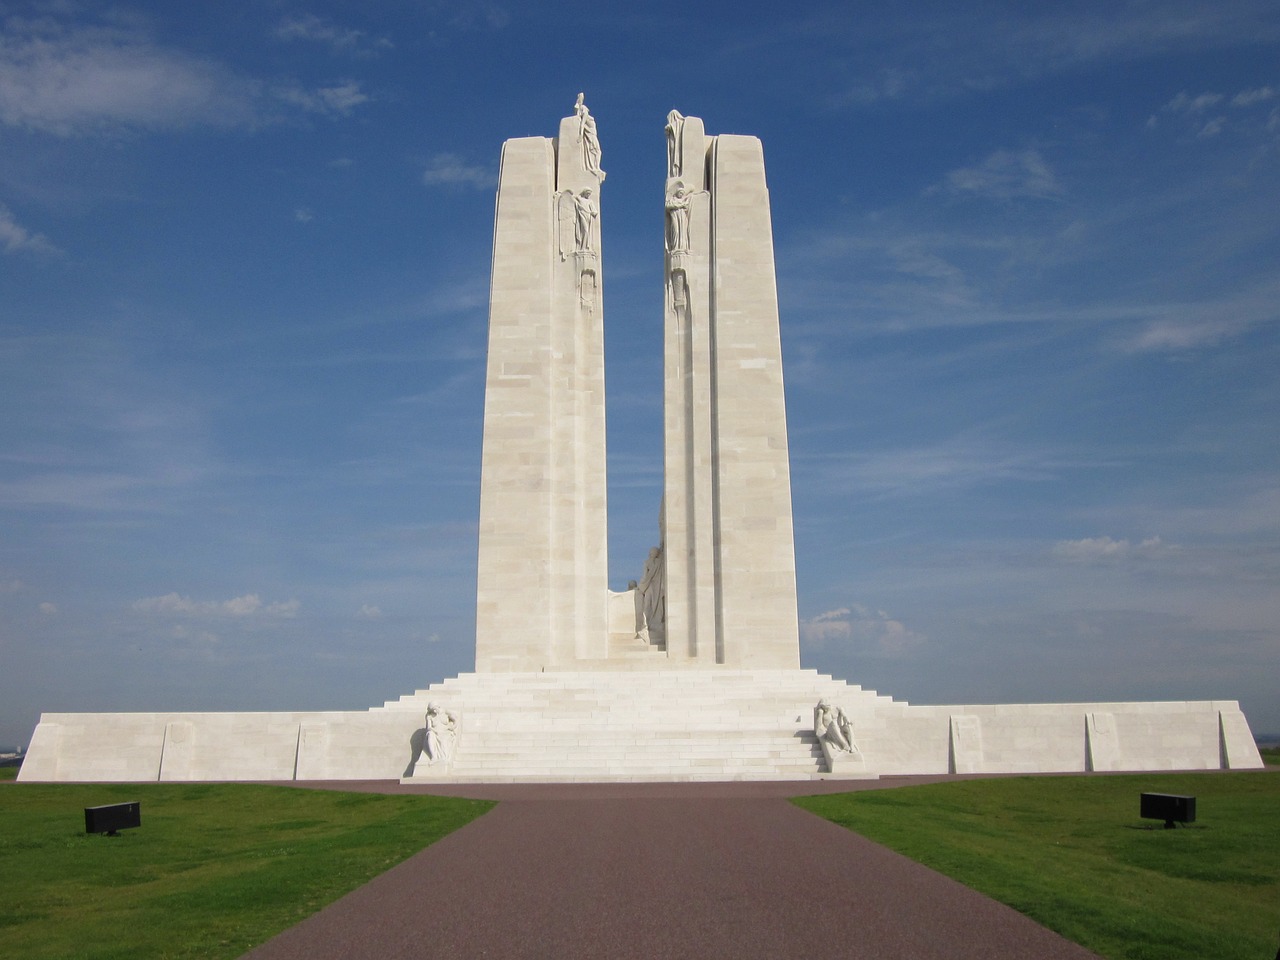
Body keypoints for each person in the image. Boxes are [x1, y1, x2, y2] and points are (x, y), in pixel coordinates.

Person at [574, 93, 605, 182]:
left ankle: (596, 167)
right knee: (598, 152)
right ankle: (596, 167)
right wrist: (580, 134)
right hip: (591, 136)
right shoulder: (586, 115)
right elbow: (582, 124)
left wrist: (580, 99)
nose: (586, 109)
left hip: (592, 135)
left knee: (597, 152)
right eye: (584, 108)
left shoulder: (587, 114)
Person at [573, 188, 598, 253]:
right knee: (585, 231)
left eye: (589, 194)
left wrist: (594, 212)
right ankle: (582, 247)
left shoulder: (590, 201)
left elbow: (594, 210)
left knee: (586, 231)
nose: (588, 195)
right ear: (584, 192)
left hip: (588, 216)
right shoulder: (580, 199)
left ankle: (585, 246)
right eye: (587, 193)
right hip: (582, 215)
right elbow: (574, 197)